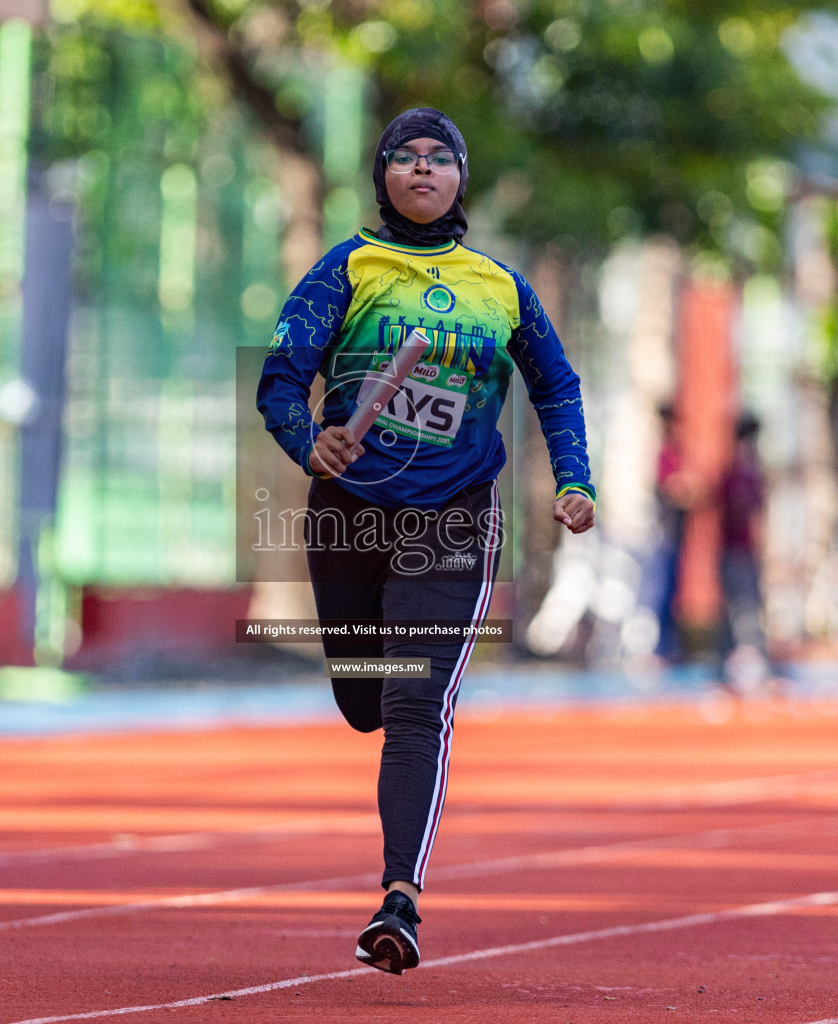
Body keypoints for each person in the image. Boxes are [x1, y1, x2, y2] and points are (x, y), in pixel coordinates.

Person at [257, 108, 595, 975]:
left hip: (452, 516)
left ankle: (398, 901)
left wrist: (573, 479)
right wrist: (310, 441)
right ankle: (377, 735)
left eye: (438, 157)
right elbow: (281, 378)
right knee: (367, 700)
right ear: (382, 176)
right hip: (350, 513)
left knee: (417, 705)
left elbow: (555, 387)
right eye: (403, 158)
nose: (421, 169)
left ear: (460, 177)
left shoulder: (499, 286)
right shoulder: (348, 270)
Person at [639, 403, 700, 662]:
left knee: (674, 592)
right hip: (666, 535)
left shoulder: (680, 452)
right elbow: (676, 489)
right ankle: (661, 647)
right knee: (662, 591)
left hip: (677, 534)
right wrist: (685, 489)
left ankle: (671, 645)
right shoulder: (665, 454)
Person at [717, 412, 768, 691]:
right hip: (734, 551)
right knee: (742, 608)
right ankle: (742, 663)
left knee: (748, 605)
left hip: (746, 550)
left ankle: (743, 661)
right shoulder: (736, 473)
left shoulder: (751, 472)